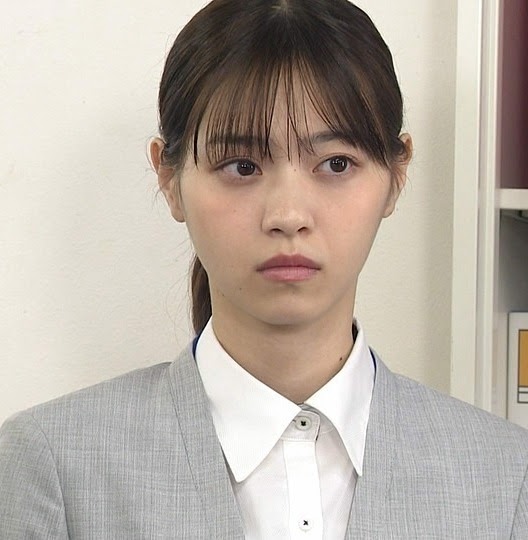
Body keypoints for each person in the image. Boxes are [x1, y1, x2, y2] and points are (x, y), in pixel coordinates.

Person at [1, 0, 527, 537]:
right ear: (168, 178)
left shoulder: (506, 477)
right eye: (242, 166)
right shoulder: (53, 466)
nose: (288, 216)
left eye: (336, 164)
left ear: (396, 174)